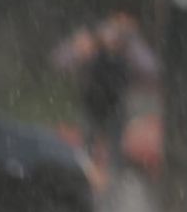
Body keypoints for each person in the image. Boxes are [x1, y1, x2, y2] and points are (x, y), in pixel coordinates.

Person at [53, 13, 158, 191]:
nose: (111, 38)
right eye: (108, 33)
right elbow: (60, 61)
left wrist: (133, 42)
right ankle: (88, 185)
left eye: (116, 34)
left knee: (116, 155)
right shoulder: (91, 49)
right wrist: (78, 47)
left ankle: (112, 189)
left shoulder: (128, 52)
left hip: (115, 108)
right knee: (86, 152)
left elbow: (151, 68)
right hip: (91, 107)